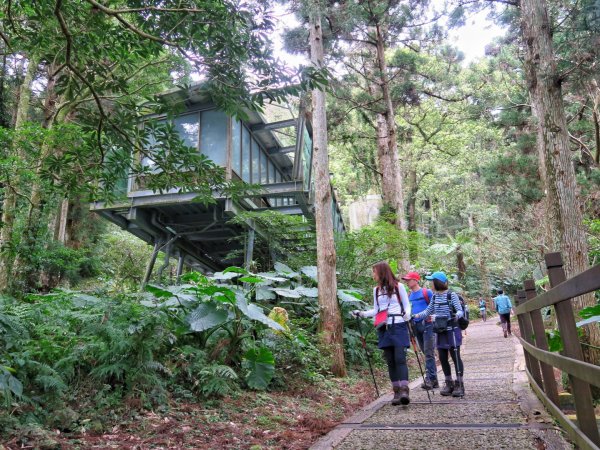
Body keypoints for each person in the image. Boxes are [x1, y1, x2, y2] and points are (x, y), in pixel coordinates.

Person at [352, 261, 412, 405]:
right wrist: (361, 313)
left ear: (381, 272)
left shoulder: (399, 287)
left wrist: (407, 315)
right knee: (390, 361)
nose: (373, 275)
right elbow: (376, 310)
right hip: (383, 327)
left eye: (374, 272)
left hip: (398, 325)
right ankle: (396, 392)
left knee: (400, 358)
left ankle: (405, 390)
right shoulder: (376, 290)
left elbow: (406, 305)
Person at [413, 271, 465, 397]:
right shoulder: (435, 296)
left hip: (451, 329)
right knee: (442, 357)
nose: (431, 284)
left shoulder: (451, 295)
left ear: (437, 282)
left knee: (455, 356)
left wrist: (456, 315)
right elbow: (428, 311)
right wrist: (416, 316)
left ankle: (459, 383)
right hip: (440, 330)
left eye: (432, 281)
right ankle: (449, 383)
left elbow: (459, 310)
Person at [401, 271, 438, 390]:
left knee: (428, 352)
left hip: (428, 325)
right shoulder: (408, 295)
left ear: (416, 280)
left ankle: (430, 379)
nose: (406, 282)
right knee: (425, 352)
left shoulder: (427, 292)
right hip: (416, 327)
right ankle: (434, 379)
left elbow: (435, 307)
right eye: (406, 280)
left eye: (409, 280)